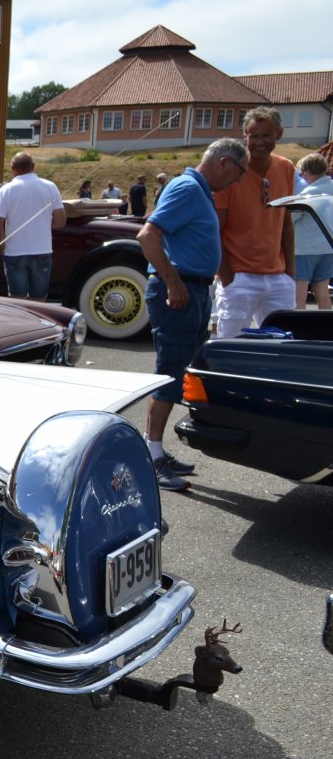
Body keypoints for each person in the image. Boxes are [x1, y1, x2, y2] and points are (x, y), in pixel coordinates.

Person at [135, 138, 249, 492]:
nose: (237, 180)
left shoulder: (199, 191)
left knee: (179, 371)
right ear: (225, 162)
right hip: (181, 291)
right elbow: (147, 235)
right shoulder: (187, 188)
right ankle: (152, 457)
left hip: (192, 289)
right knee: (169, 374)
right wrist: (173, 282)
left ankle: (155, 450)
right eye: (239, 173)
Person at [211, 108, 297, 338]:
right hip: (240, 276)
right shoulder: (231, 171)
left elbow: (286, 222)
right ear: (245, 136)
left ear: (278, 134)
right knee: (231, 345)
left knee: (281, 345)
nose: (259, 142)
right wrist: (227, 277)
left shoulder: (286, 167)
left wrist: (290, 271)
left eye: (266, 135)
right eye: (254, 136)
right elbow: (216, 229)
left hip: (277, 276)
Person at [0, 152, 66, 300]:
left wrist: (3, 249)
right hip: (42, 250)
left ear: (13, 169)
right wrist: (42, 224)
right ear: (33, 167)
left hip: (14, 251)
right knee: (39, 299)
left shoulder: (6, 190)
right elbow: (60, 221)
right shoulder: (50, 186)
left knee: (18, 300)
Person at [291, 152, 333, 311]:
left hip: (305, 250)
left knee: (299, 295)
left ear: (307, 172)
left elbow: (292, 218)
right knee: (323, 294)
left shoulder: (307, 194)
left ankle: (299, 325)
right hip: (328, 248)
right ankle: (328, 324)